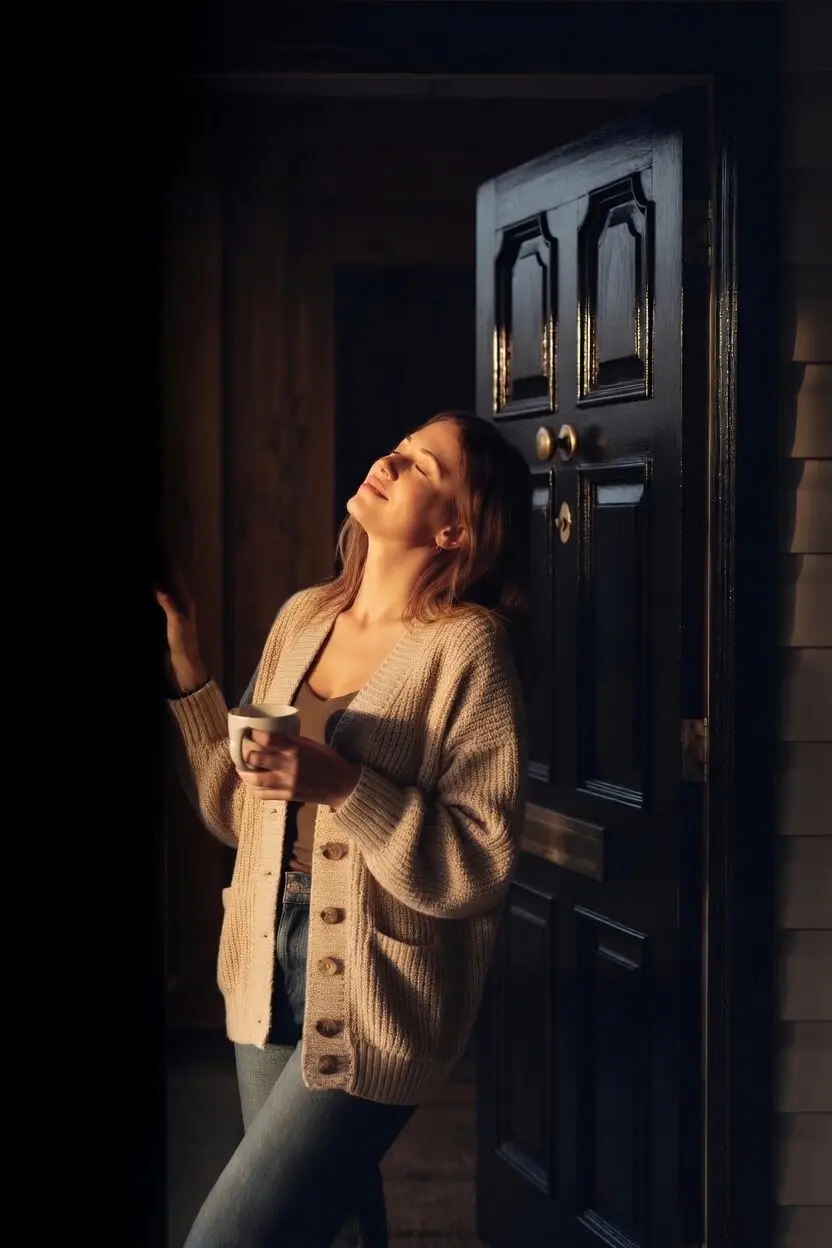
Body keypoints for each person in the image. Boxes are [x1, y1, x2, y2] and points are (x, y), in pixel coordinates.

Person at [156, 410, 531, 1248]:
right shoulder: (304, 617)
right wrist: (187, 661)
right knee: (328, 1227)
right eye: (398, 448)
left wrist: (345, 786)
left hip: (374, 987)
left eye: (422, 465)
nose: (389, 462)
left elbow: (480, 862)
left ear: (455, 527)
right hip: (263, 957)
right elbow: (232, 806)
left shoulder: (468, 652)